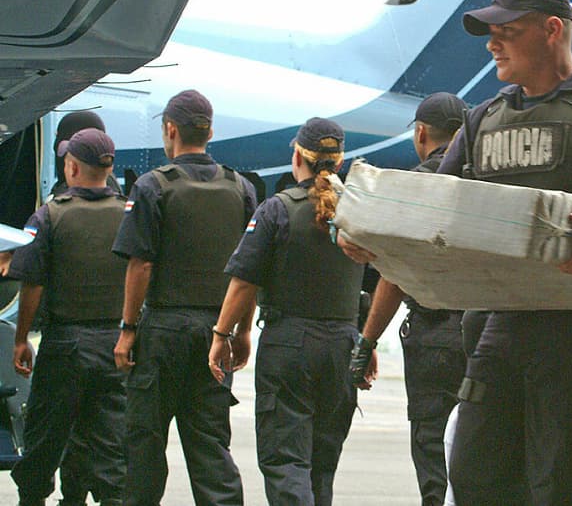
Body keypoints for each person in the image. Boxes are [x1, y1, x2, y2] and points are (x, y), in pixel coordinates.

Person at [341, 0, 572, 504]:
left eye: (507, 31)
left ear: (552, 30)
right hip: (499, 323)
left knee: (561, 484)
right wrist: (376, 245)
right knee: (474, 475)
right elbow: (434, 212)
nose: (492, 44)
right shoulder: (483, 119)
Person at [208, 117, 363, 506]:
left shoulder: (277, 209)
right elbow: (374, 282)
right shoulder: (359, 211)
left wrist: (223, 334)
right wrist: (366, 339)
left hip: (290, 346)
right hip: (343, 346)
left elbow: (244, 280)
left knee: (287, 463)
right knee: (322, 466)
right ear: (339, 162)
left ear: (297, 157)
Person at [112, 89, 256, 506]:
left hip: (163, 334)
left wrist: (127, 329)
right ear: (210, 132)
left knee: (143, 446)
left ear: (171, 130)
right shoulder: (241, 188)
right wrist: (241, 330)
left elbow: (140, 265)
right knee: (211, 446)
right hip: (216, 333)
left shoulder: (153, 186)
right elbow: (249, 270)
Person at [350, 92, 468, 506]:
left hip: (436, 340)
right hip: (491, 335)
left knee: (435, 456)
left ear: (421, 134)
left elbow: (393, 276)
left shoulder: (416, 186)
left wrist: (365, 344)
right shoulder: (489, 183)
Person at [7, 129, 127, 506]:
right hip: (115, 345)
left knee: (45, 439)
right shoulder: (130, 214)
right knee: (111, 444)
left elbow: (32, 285)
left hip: (65, 346)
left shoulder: (49, 216)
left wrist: (20, 338)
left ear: (72, 167)